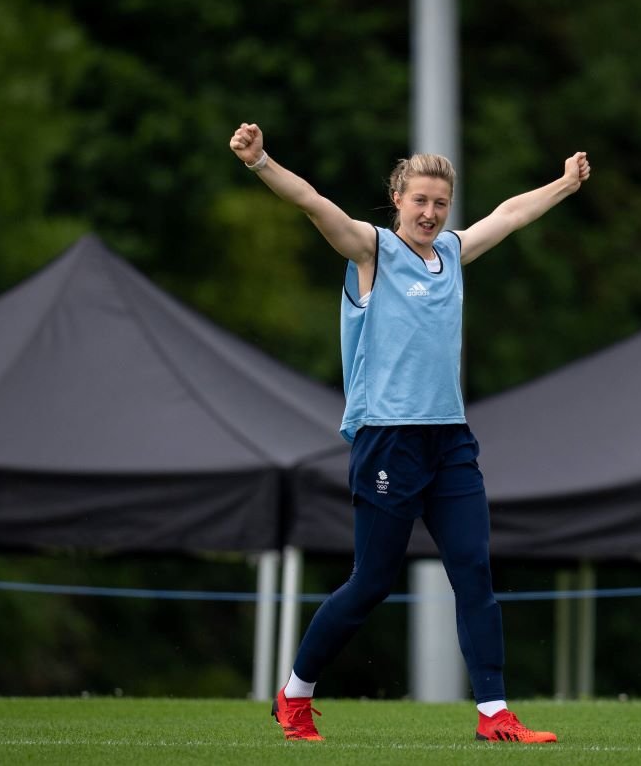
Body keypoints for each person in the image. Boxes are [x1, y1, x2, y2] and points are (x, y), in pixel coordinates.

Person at [229, 122, 590, 744]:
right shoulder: (371, 252)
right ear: (397, 198)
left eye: (440, 203)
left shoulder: (451, 253)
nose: (430, 212)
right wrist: (261, 162)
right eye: (419, 200)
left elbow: (508, 214)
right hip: (387, 438)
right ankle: (295, 695)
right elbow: (313, 203)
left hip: (449, 440)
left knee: (474, 570)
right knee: (372, 583)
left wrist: (561, 184)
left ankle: (494, 713)